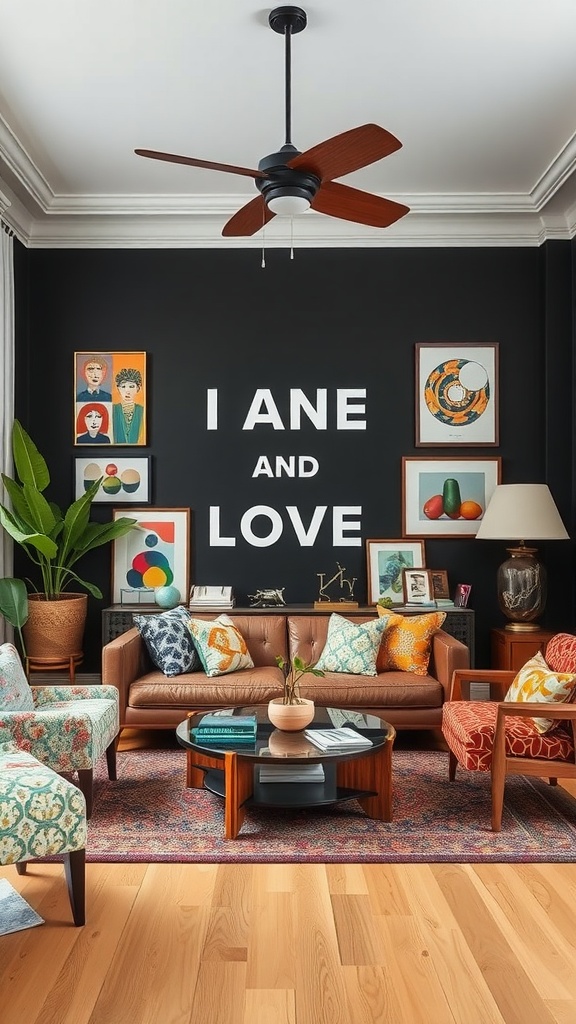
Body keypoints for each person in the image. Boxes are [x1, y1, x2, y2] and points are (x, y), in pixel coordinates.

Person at [112, 367, 145, 444]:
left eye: (131, 386)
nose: (127, 391)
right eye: (123, 387)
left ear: (138, 388)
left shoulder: (142, 410)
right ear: (118, 388)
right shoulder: (113, 409)